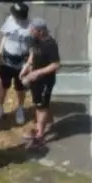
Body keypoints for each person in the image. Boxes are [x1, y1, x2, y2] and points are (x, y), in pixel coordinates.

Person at [20, 18, 61, 148]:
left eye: (33, 30)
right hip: (35, 80)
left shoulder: (50, 44)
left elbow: (56, 64)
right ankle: (43, 126)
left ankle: (40, 135)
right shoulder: (35, 39)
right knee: (38, 104)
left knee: (41, 106)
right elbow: (33, 53)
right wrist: (26, 67)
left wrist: (38, 73)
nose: (30, 32)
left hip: (45, 81)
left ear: (41, 31)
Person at [0, 2, 34, 125]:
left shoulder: (30, 28)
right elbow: (5, 36)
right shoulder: (10, 20)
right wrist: (0, 52)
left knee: (20, 88)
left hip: (21, 62)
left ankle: (20, 108)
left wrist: (29, 63)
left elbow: (33, 47)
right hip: (6, 60)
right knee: (3, 86)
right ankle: (0, 108)